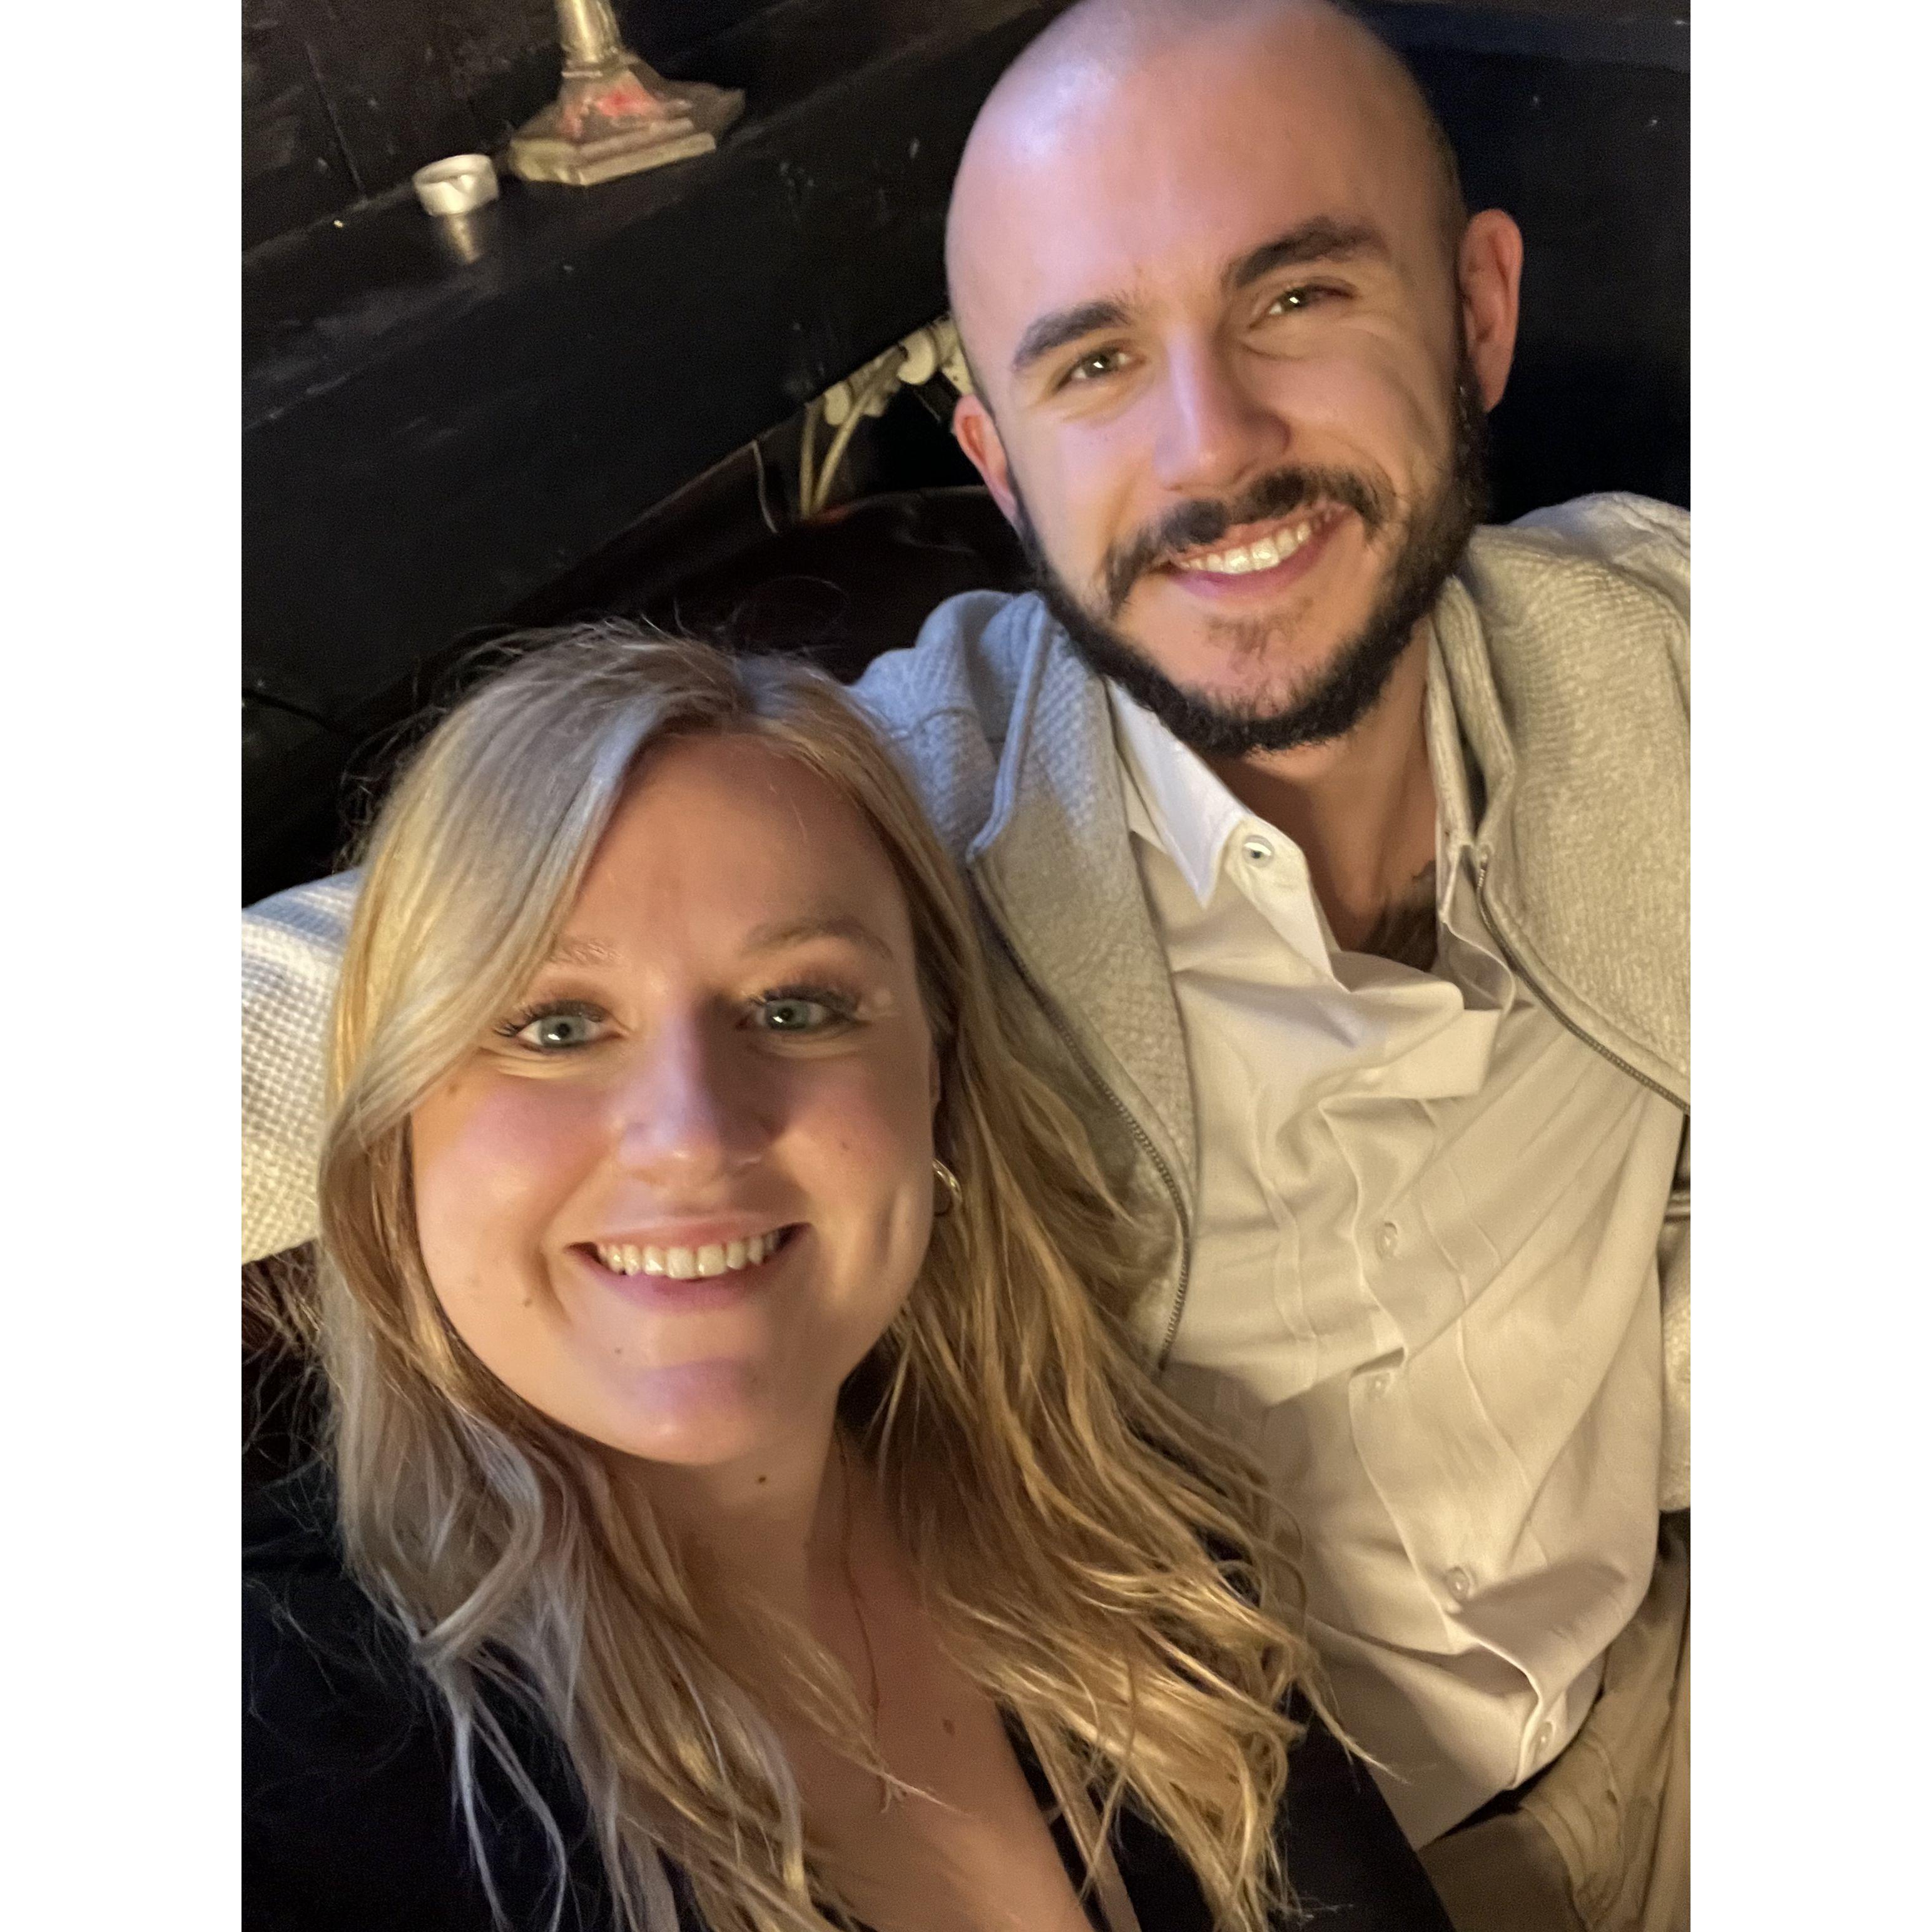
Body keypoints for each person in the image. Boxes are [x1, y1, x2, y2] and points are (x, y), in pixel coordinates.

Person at [243, 3, 1689, 1927]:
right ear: (998, 464)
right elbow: (357, 1009)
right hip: (1269, 1836)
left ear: (1478, 312)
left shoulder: (1667, 655)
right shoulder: (882, 846)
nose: (1214, 443)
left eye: (1298, 298)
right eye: (1097, 362)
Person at [244, 626, 1452, 1932]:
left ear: (937, 1080)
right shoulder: (263, 1733)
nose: (695, 1134)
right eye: (555, 1026)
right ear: (395, 1132)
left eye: (796, 1008)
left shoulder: (1132, 1555)